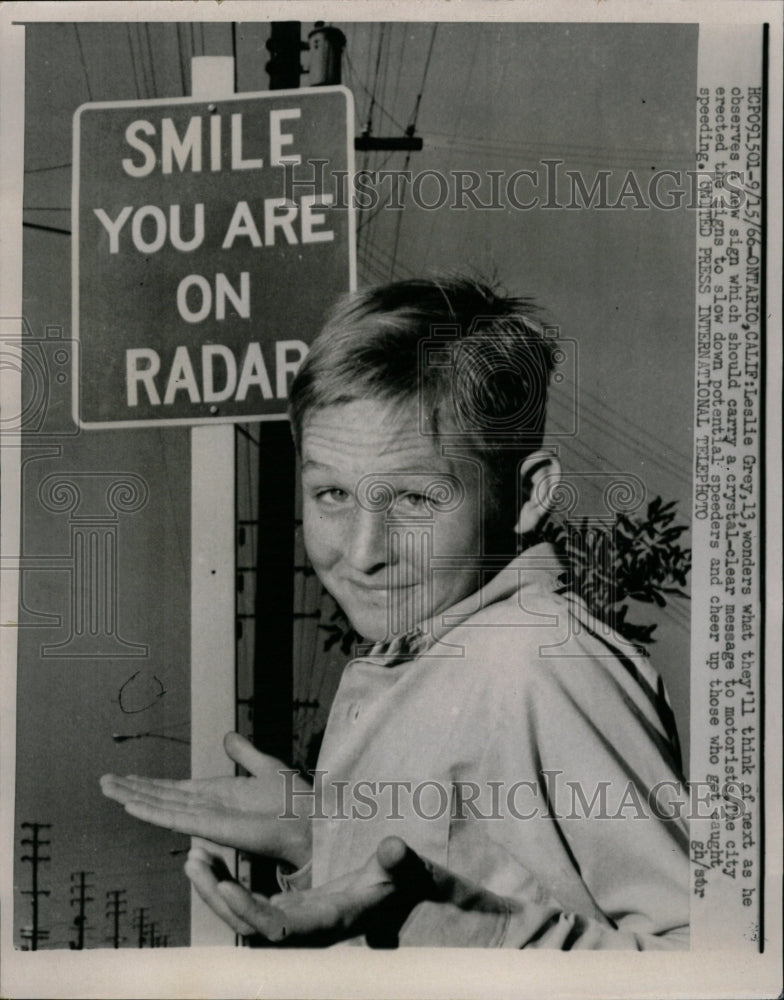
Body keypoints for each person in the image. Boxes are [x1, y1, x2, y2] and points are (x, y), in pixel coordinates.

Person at [101, 276, 689, 948]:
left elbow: (702, 962)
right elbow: (468, 870)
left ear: (525, 497)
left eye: (413, 499)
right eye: (330, 494)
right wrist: (316, 835)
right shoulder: (424, 659)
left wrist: (438, 924)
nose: (362, 551)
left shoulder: (538, 664)